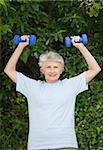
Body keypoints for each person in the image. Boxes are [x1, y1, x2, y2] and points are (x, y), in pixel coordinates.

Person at [4, 35, 101, 150]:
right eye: (48, 67)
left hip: (65, 144)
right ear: (42, 70)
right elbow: (9, 70)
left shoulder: (70, 85)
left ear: (61, 70)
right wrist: (21, 45)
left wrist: (80, 46)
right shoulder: (32, 87)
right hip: (38, 145)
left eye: (55, 67)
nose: (52, 70)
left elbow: (95, 69)